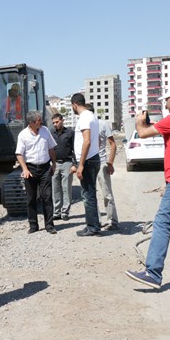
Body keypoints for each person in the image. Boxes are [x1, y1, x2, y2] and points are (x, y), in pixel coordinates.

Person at [125, 84, 170, 289]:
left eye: (167, 101)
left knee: (162, 223)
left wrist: (138, 121)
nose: (166, 105)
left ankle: (153, 273)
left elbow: (142, 133)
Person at [16, 110, 58, 234]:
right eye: (39, 120)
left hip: (45, 168)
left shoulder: (45, 131)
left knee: (47, 197)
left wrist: (54, 163)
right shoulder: (23, 135)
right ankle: (33, 225)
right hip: (30, 169)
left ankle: (49, 225)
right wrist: (25, 169)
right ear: (31, 122)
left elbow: (51, 148)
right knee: (31, 198)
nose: (41, 122)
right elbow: (19, 154)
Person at [70, 93, 102, 237]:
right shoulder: (92, 116)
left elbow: (87, 141)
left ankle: (93, 227)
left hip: (88, 161)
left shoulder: (84, 118)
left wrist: (81, 164)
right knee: (90, 194)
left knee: (87, 195)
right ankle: (93, 224)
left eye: (72, 107)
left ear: (74, 104)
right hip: (94, 158)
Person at [85, 103, 119, 231]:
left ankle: (112, 221)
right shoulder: (84, 126)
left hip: (102, 162)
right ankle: (95, 221)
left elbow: (113, 144)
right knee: (90, 195)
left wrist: (110, 163)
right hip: (89, 163)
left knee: (107, 193)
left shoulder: (103, 124)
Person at [50, 113, 75, 221]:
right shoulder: (51, 134)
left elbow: (75, 149)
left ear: (62, 120)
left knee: (66, 189)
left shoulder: (70, 133)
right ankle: (56, 212)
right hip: (55, 164)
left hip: (67, 164)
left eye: (57, 122)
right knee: (55, 189)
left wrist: (75, 164)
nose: (55, 124)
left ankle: (65, 212)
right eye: (53, 123)